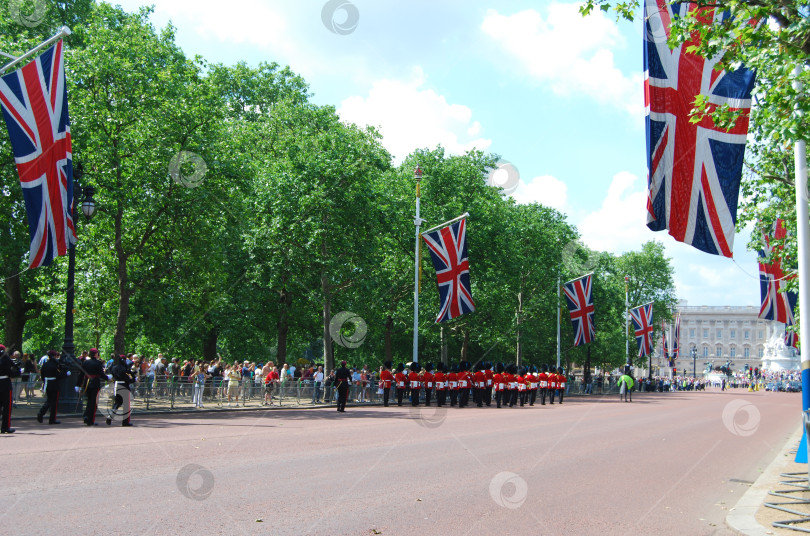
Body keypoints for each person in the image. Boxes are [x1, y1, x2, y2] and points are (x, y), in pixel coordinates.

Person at [77, 348, 106, 425]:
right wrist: (107, 378)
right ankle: (90, 420)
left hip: (86, 383)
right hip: (95, 383)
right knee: (94, 402)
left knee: (89, 401)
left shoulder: (86, 362)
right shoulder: (98, 363)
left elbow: (81, 374)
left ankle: (86, 416)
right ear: (96, 354)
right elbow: (101, 374)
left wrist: (78, 384)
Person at [37, 350, 67, 425]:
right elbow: (58, 375)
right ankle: (52, 419)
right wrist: (66, 374)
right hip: (54, 384)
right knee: (54, 402)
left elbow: (43, 375)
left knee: (49, 401)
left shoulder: (45, 364)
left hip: (47, 384)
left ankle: (41, 413)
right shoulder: (55, 365)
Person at [107, 355, 136, 426]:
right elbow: (129, 380)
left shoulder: (114, 368)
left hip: (116, 385)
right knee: (126, 405)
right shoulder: (124, 369)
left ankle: (111, 415)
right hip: (124, 386)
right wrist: (133, 377)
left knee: (117, 403)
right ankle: (125, 422)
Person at [0, 345, 21, 433]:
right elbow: (11, 373)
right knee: (7, 407)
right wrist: (18, 371)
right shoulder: (5, 359)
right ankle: (5, 427)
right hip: (4, 383)